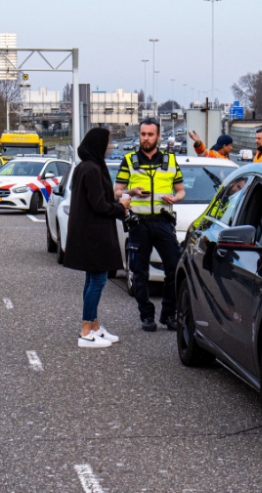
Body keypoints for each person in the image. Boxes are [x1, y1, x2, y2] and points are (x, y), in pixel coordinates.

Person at [114, 118, 186, 332]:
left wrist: (175, 198)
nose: (146, 138)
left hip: (163, 222)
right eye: (143, 134)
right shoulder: (129, 160)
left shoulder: (171, 160)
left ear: (158, 136)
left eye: (150, 135)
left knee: (173, 268)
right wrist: (132, 192)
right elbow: (116, 191)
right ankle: (146, 315)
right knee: (139, 272)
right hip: (139, 224)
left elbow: (181, 190)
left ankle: (168, 314)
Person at [64, 128, 132, 348]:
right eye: (107, 143)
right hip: (95, 236)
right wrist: (120, 207)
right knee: (98, 281)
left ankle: (94, 325)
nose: (110, 146)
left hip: (90, 233)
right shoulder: (92, 169)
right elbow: (99, 205)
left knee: (92, 280)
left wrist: (123, 195)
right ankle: (86, 330)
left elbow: (98, 197)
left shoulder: (85, 167)